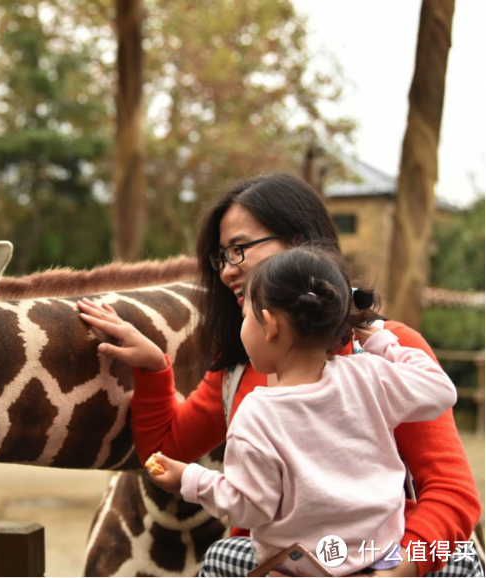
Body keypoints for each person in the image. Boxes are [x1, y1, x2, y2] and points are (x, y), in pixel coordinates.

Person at [76, 173, 482, 577]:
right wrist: (152, 368)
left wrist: (395, 573)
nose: (225, 271)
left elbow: (451, 493)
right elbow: (165, 452)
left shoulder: (386, 354)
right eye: (221, 257)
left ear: (300, 244)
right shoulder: (238, 368)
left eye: (238, 250)